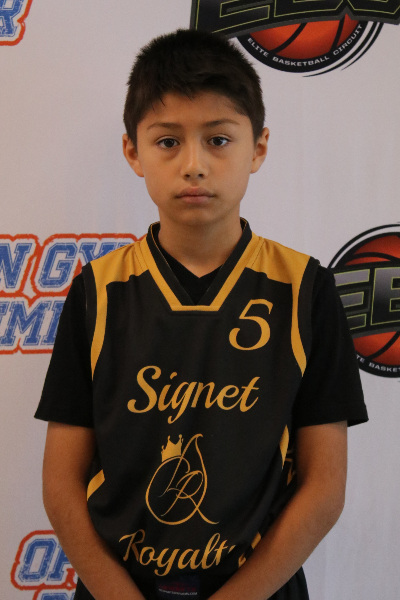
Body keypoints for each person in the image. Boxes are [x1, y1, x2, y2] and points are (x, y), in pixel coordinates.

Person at [35, 29, 368, 600]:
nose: (194, 165)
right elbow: (61, 483)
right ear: (133, 152)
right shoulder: (98, 292)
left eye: (218, 139)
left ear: (257, 147)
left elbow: (324, 487)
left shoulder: (305, 289)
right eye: (168, 141)